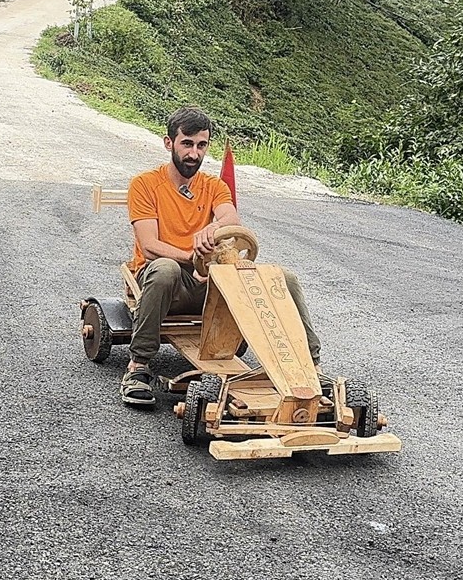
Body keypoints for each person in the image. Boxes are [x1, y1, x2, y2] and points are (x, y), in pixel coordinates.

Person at [120, 107, 322, 406]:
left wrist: (214, 228)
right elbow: (149, 245)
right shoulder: (145, 184)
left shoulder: (214, 186)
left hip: (211, 282)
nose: (194, 154)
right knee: (165, 268)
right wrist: (192, 257)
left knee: (282, 277)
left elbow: (231, 218)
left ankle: (311, 367)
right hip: (170, 283)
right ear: (169, 143)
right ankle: (138, 367)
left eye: (201, 145)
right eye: (187, 144)